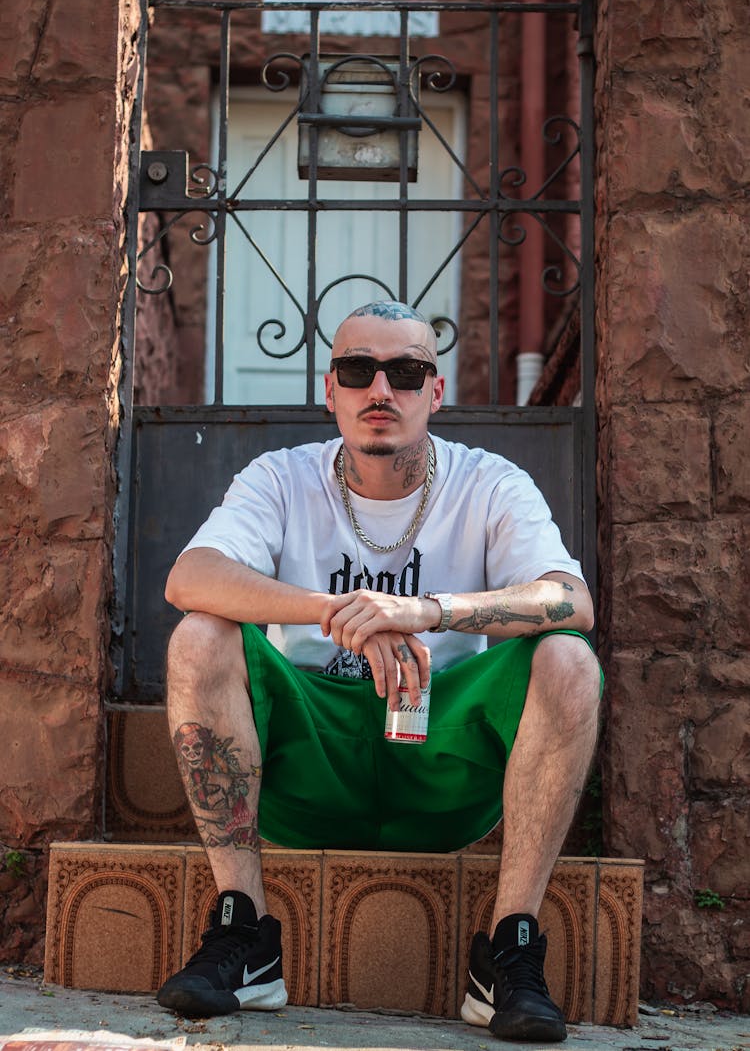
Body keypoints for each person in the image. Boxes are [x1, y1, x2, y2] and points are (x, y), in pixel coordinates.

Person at [156, 300, 602, 1043]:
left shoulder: (489, 483)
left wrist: (426, 612)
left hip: (445, 763)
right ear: (329, 389)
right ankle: (245, 936)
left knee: (568, 658)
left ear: (436, 389)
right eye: (358, 370)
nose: (380, 390)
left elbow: (569, 598)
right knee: (199, 635)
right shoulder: (281, 478)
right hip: (309, 758)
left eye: (405, 371)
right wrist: (342, 611)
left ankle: (509, 950)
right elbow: (190, 575)